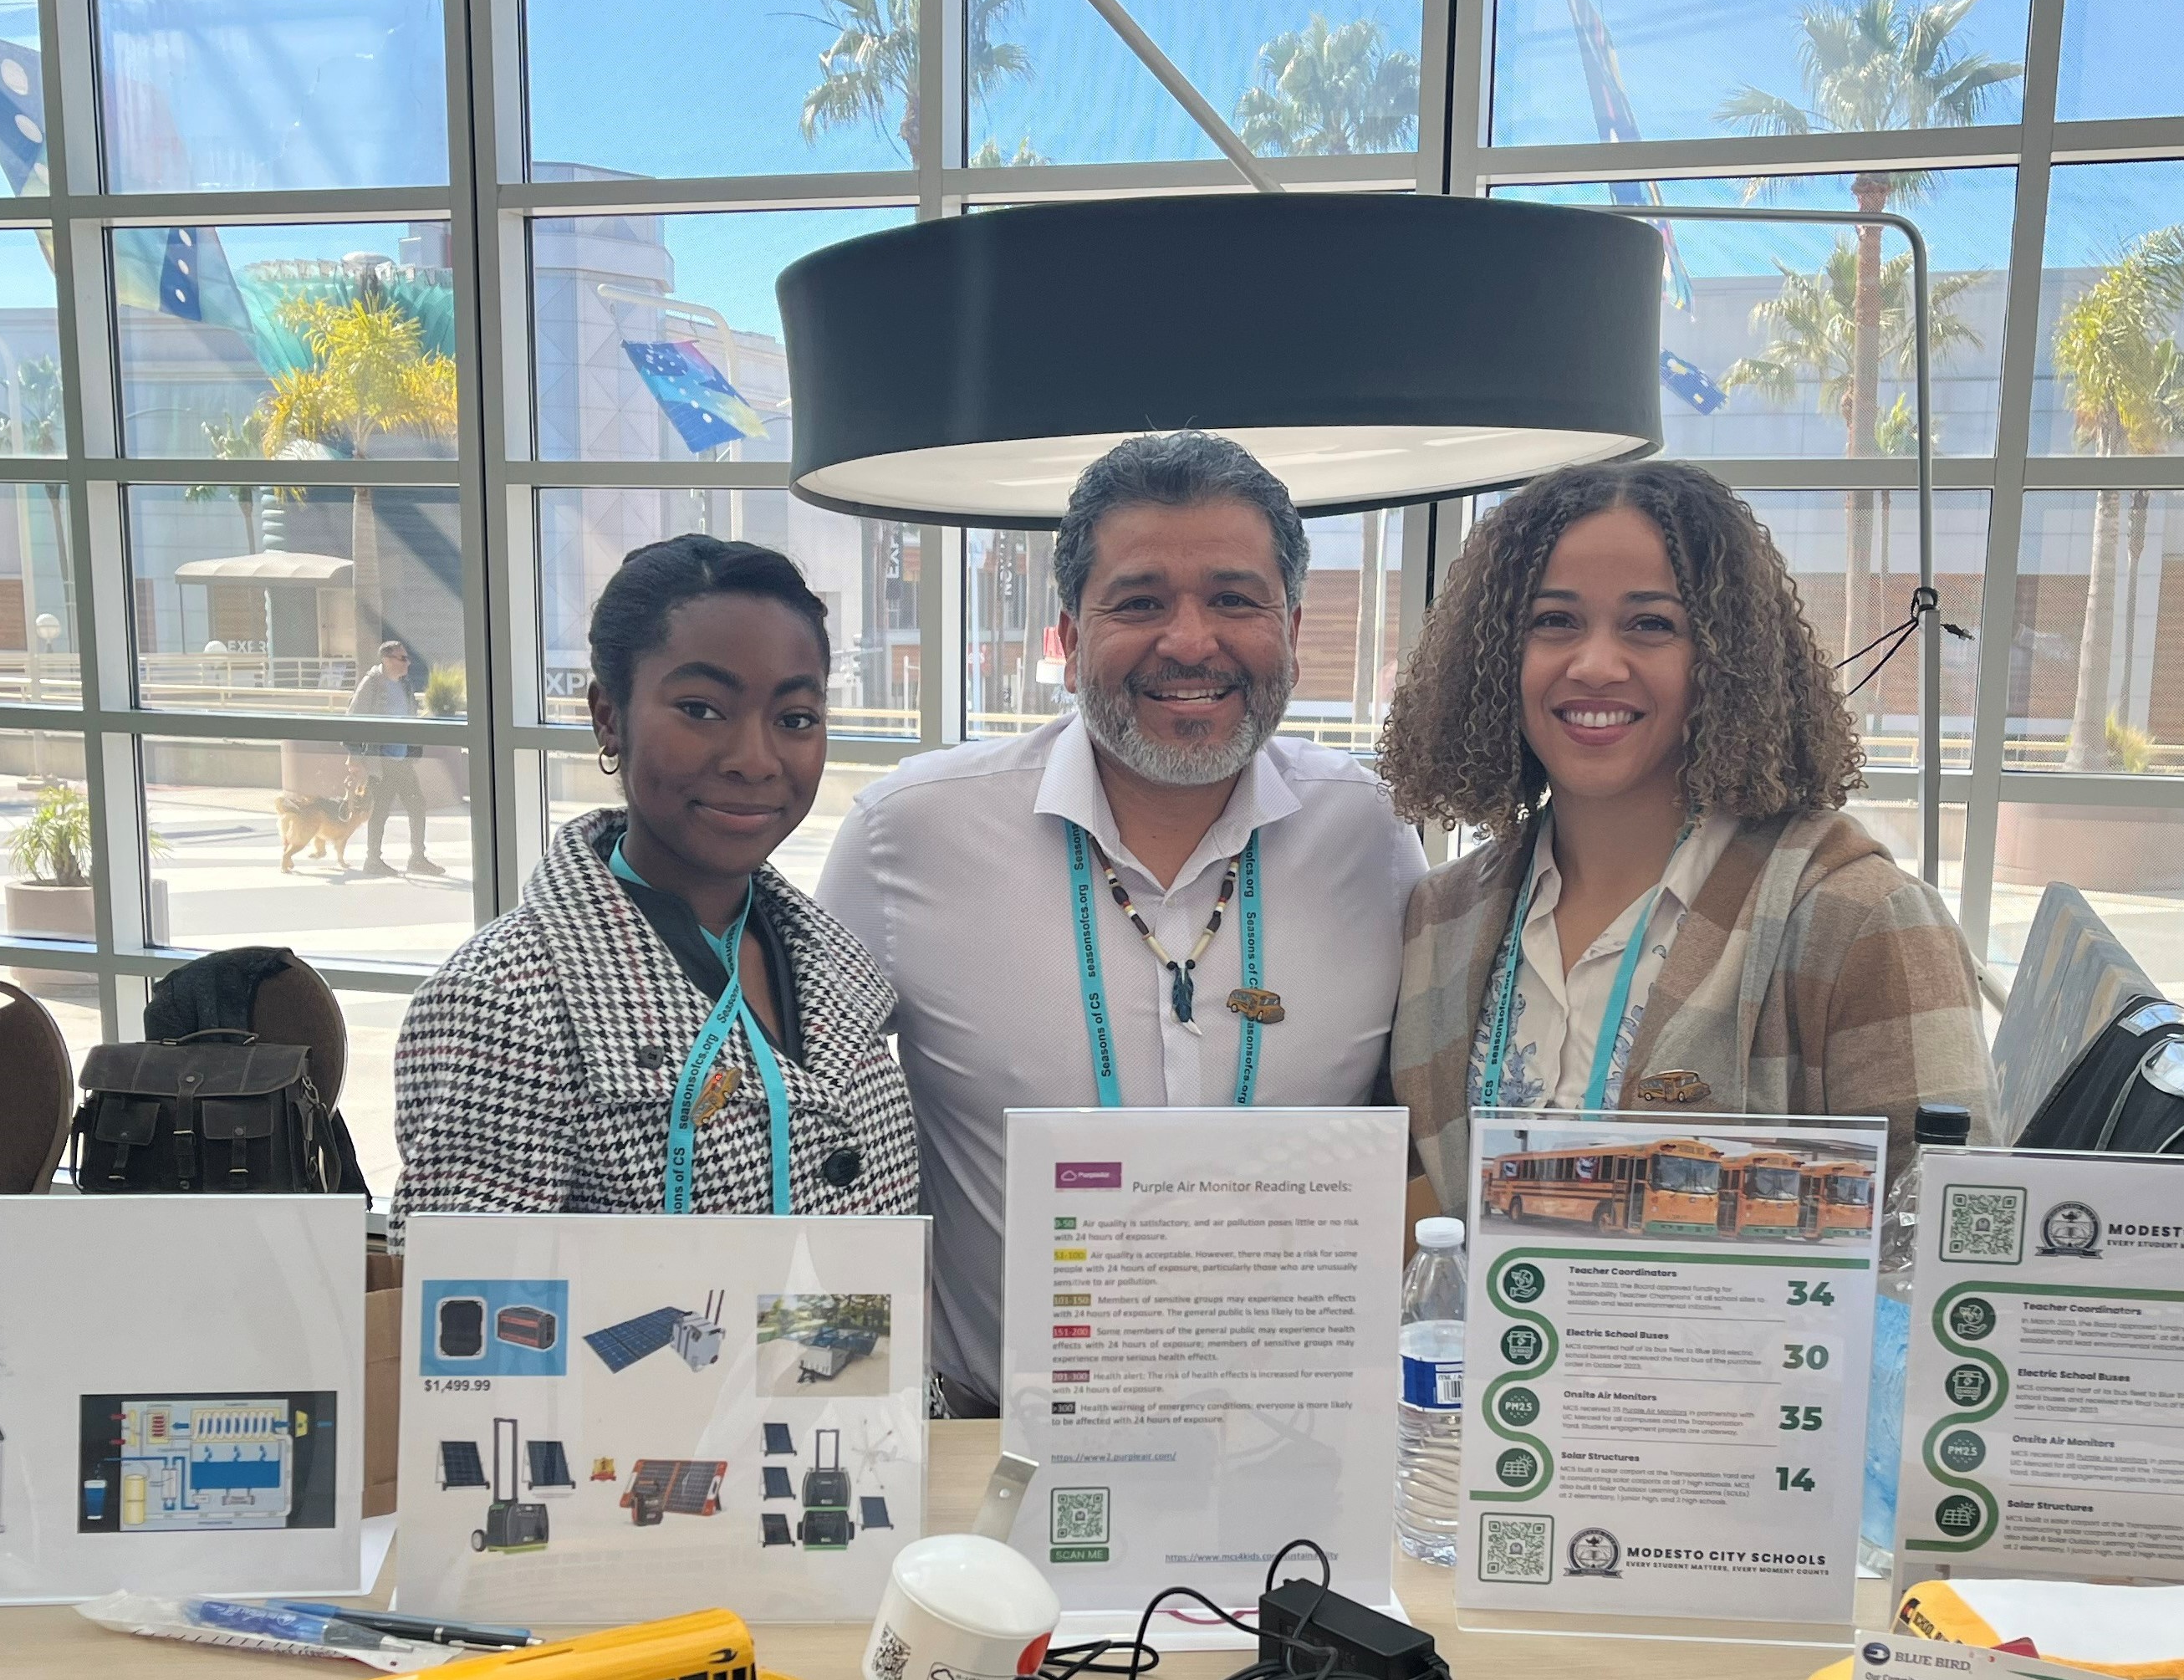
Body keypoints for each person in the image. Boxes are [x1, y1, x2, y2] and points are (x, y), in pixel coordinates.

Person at [820, 431, 1426, 1412]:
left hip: (1299, 1438)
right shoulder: (907, 837)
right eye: (1139, 601)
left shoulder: (1374, 832)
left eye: (1235, 599)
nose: (1190, 641)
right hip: (996, 1439)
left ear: (1294, 624)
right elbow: (808, 1150)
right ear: (1066, 635)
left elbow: (1417, 1139)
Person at [1375, 459, 1994, 1195]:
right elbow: (1413, 1193)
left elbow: (1955, 1241)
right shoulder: (1440, 917)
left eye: (1651, 624)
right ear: (1494, 659)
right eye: (1553, 621)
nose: (1596, 663)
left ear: (1726, 659)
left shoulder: (1861, 921)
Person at [393, 537, 918, 1218]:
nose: (755, 760)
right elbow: (476, 1312)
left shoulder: (836, 969)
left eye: (795, 719)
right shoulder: (502, 1004)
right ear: (609, 717)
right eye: (701, 709)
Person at [346, 639, 442, 878]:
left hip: (402, 759)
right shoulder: (372, 684)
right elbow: (352, 719)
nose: (408, 663)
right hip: (381, 761)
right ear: (387, 660)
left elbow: (409, 716)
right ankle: (373, 861)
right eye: (403, 658)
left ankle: (417, 858)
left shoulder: (405, 684)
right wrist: (355, 756)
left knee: (417, 806)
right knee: (380, 810)